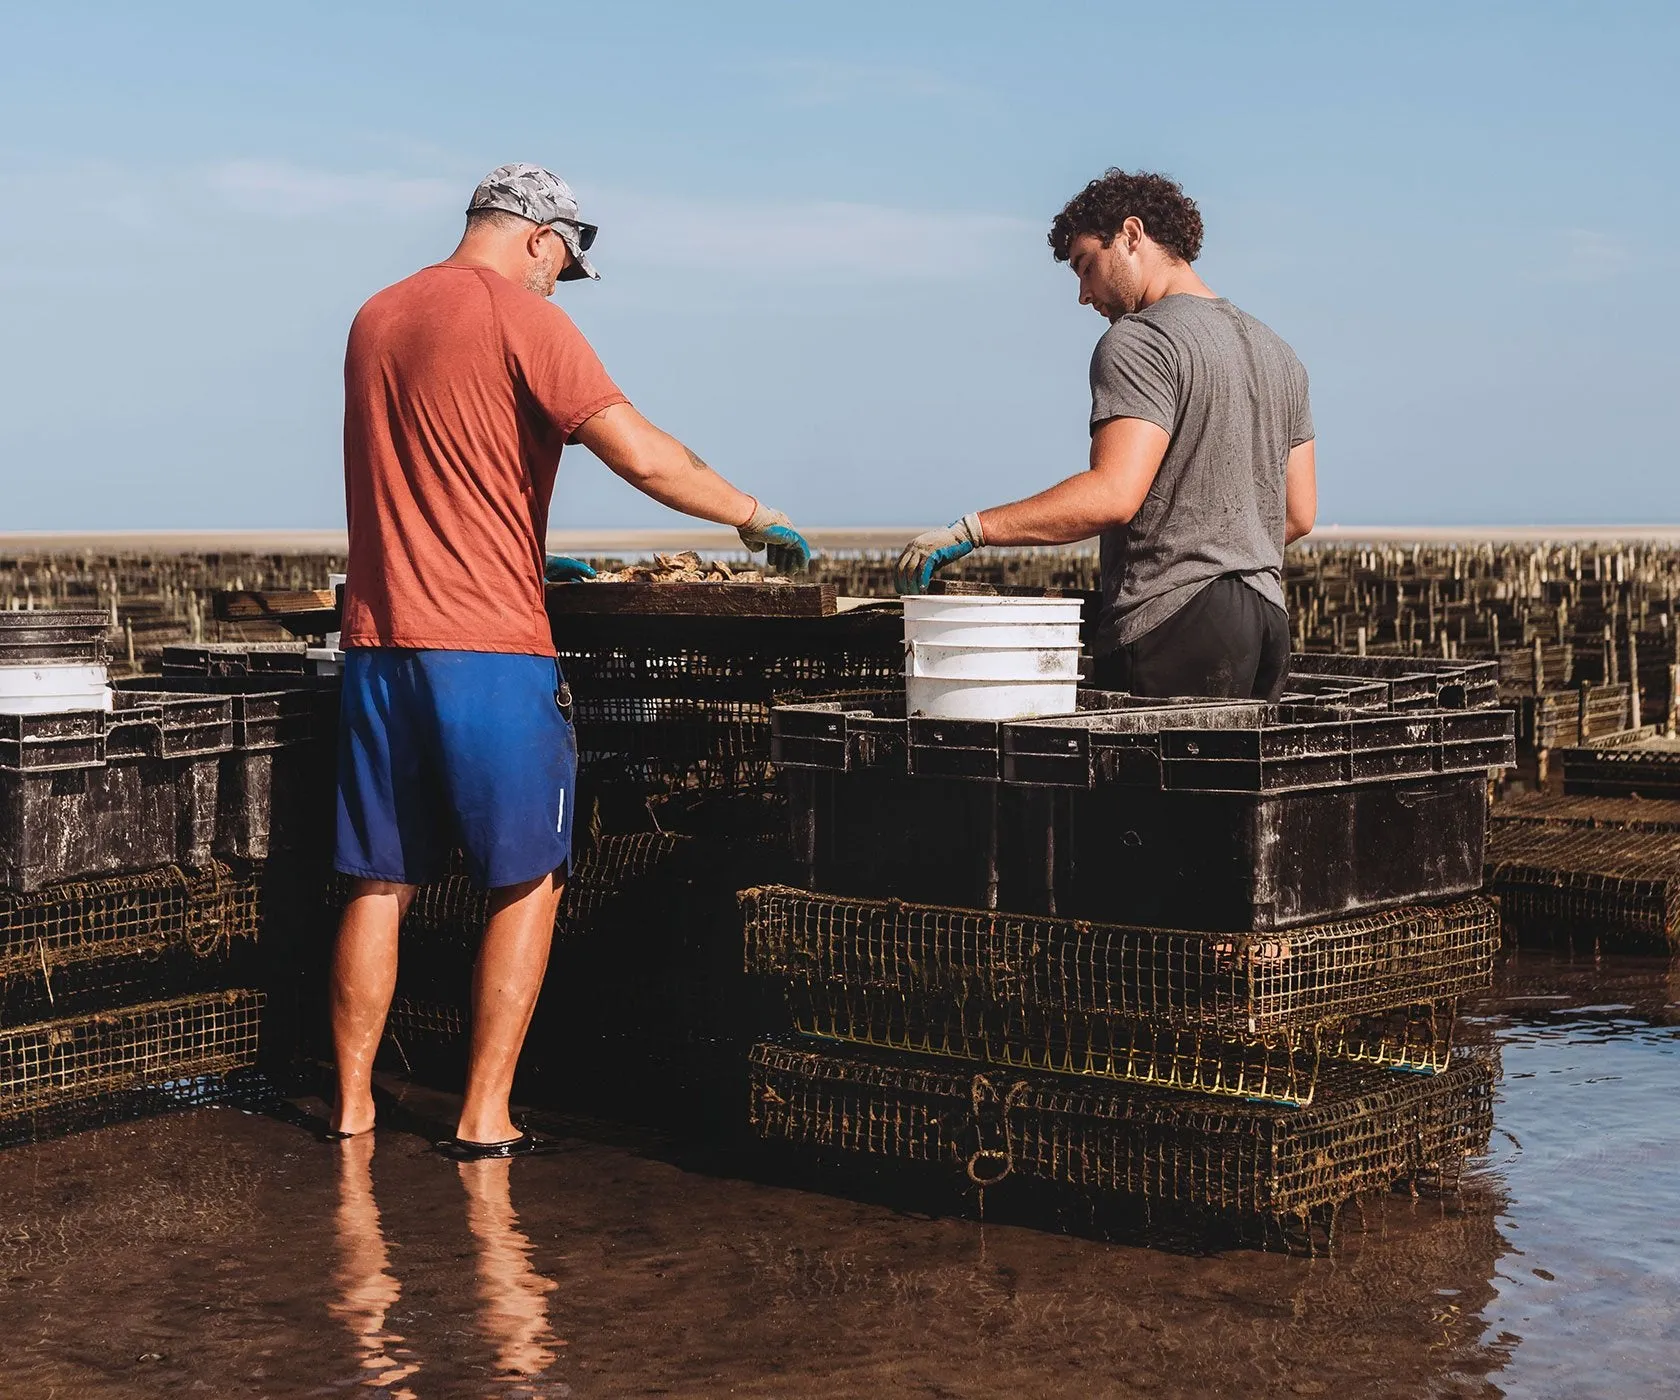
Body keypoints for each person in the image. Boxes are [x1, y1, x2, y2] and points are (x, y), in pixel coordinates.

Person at [329, 163, 811, 1157]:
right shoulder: (524, 318)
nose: (558, 284)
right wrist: (754, 515)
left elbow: (436, 472)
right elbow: (644, 454)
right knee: (529, 877)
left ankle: (352, 1109)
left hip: (379, 642)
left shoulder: (375, 316)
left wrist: (525, 538)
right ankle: (484, 1112)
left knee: (379, 878)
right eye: (562, 265)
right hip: (490, 648)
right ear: (543, 237)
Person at [896, 169, 1316, 700]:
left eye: (1085, 266)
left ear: (1132, 235)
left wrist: (971, 529)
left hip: (1174, 619)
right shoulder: (1279, 353)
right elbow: (1299, 513)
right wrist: (1220, 542)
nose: (1082, 294)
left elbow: (1114, 495)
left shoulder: (1140, 340)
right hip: (1267, 621)